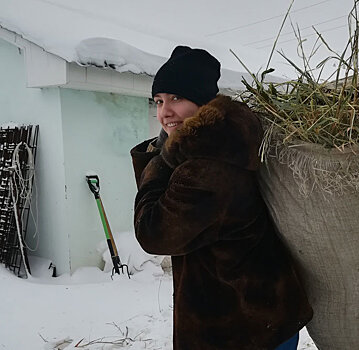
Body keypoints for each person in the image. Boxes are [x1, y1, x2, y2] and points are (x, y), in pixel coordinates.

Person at [130, 46, 312, 350]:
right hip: (253, 317)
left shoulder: (209, 166)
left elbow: (153, 233)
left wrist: (160, 160)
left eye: (177, 98)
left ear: (203, 103)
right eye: (159, 101)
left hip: (246, 328)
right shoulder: (217, 147)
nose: (165, 112)